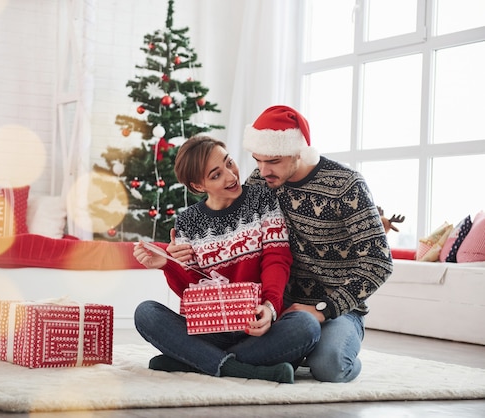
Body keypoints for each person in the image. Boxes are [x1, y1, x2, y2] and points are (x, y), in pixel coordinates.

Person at [167, 105, 393, 383]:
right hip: (282, 308)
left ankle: (199, 359)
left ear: (298, 150)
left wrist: (323, 309)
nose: (262, 171)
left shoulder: (347, 186)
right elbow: (222, 229)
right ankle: (238, 360)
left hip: (338, 309)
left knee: (331, 366)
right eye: (257, 160)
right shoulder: (259, 182)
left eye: (272, 161)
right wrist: (181, 252)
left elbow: (379, 263)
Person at [133, 135, 320, 384]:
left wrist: (270, 307)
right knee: (146, 313)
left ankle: (193, 361)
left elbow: (277, 259)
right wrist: (169, 264)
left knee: (305, 327)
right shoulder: (188, 221)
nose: (231, 176)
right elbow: (192, 291)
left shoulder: (262, 200)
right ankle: (244, 369)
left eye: (229, 163)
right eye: (216, 175)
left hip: (258, 327)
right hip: (212, 330)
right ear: (199, 186)